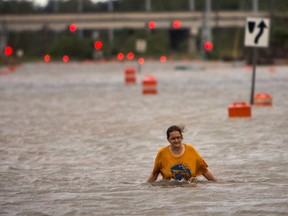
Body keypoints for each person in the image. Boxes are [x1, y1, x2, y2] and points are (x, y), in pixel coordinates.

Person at [147, 125, 216, 183]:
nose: (176, 141)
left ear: (182, 137)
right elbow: (154, 174)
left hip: (189, 189)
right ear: (168, 139)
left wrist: (216, 182)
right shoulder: (162, 153)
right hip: (169, 190)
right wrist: (145, 187)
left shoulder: (191, 150)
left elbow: (204, 171)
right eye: (173, 138)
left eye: (178, 137)